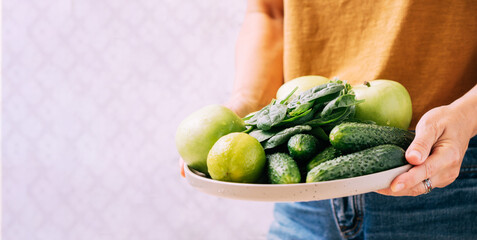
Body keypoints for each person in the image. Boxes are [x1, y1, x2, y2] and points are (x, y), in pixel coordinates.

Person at [181, 0, 477, 239]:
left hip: (444, 173)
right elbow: (270, 12)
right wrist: (248, 107)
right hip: (301, 180)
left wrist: (466, 115)